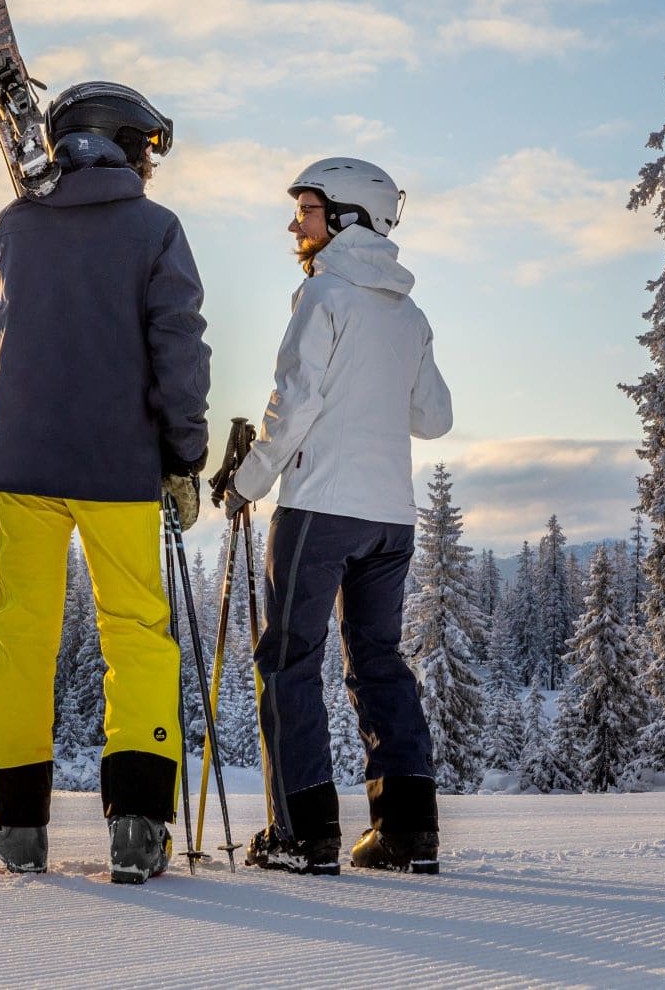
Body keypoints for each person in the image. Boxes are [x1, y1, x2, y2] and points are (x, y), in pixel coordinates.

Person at [0, 81, 211, 885]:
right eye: (148, 148)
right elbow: (180, 351)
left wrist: (27, 204)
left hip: (24, 462)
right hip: (120, 466)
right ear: (124, 144)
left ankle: (14, 824)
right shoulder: (155, 229)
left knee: (22, 634)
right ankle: (138, 828)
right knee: (136, 634)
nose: (151, 165)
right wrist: (185, 457)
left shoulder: (11, 225)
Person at [213, 157, 452, 875]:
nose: (296, 223)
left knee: (289, 660)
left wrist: (248, 481)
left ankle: (302, 834)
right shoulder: (407, 312)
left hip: (320, 506)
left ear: (347, 217)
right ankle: (408, 834)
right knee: (377, 661)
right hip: (390, 517)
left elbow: (294, 406)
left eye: (308, 209)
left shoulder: (323, 296)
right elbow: (433, 418)